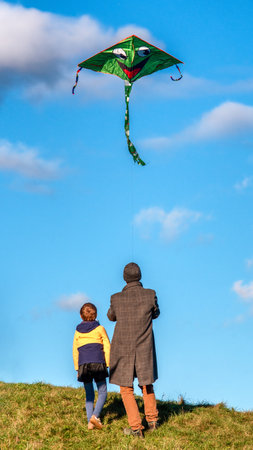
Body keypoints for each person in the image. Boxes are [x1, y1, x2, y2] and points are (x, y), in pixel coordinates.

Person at [107, 262, 160, 438]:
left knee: (126, 388)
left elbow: (111, 316)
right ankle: (152, 420)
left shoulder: (116, 298)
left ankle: (136, 428)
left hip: (123, 347)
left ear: (124, 278)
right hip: (144, 346)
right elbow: (156, 313)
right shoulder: (150, 294)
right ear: (140, 276)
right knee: (147, 383)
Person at [73, 302, 110, 430]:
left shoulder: (77, 331)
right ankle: (95, 416)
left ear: (81, 316)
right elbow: (107, 345)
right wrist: (108, 363)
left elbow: (75, 349)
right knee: (102, 391)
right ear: (96, 315)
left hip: (83, 364)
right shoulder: (100, 329)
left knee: (89, 394)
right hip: (98, 362)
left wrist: (77, 368)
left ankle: (90, 423)